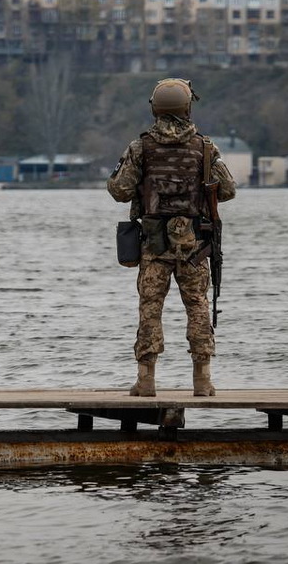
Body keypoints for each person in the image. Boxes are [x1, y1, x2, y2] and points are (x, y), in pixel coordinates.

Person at [106, 78, 236, 397]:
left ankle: (146, 379)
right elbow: (229, 190)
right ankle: (202, 380)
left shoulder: (141, 147)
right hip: (194, 243)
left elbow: (119, 190)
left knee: (150, 307)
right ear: (187, 107)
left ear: (155, 108)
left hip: (153, 242)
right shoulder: (205, 147)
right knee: (197, 306)